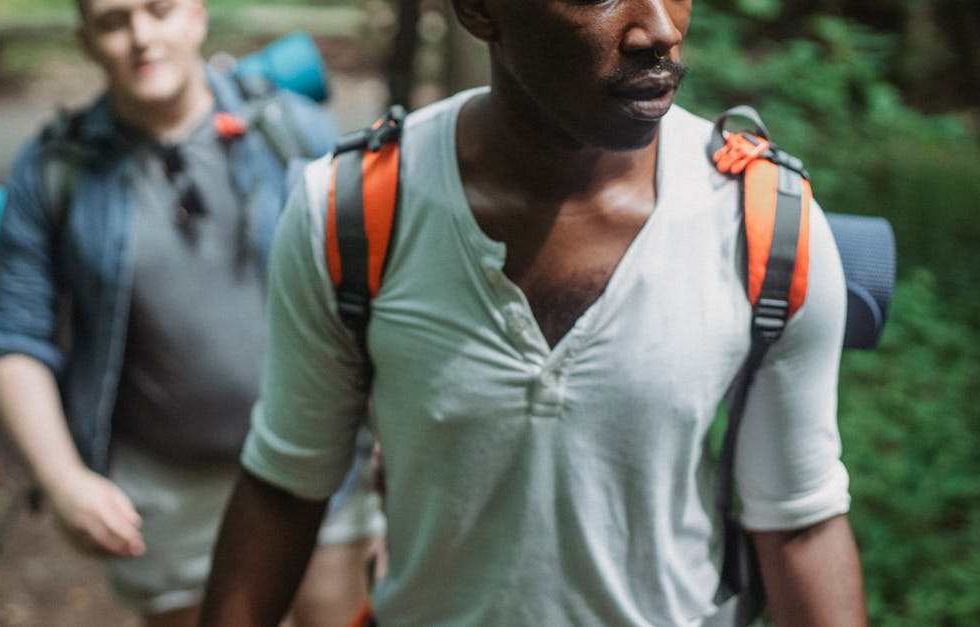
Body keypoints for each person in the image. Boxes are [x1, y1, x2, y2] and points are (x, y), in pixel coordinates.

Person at [201, 0, 867, 625]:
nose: (660, 28)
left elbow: (799, 521)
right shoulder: (352, 214)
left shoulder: (762, 224)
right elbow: (286, 489)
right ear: (480, 10)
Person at [0, 0, 384, 625]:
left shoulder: (293, 130)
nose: (141, 36)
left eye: (159, 10)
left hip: (323, 465)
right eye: (114, 21)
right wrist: (62, 479)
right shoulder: (55, 169)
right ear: (85, 37)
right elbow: (14, 338)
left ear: (196, 14)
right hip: (167, 495)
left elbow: (380, 290)